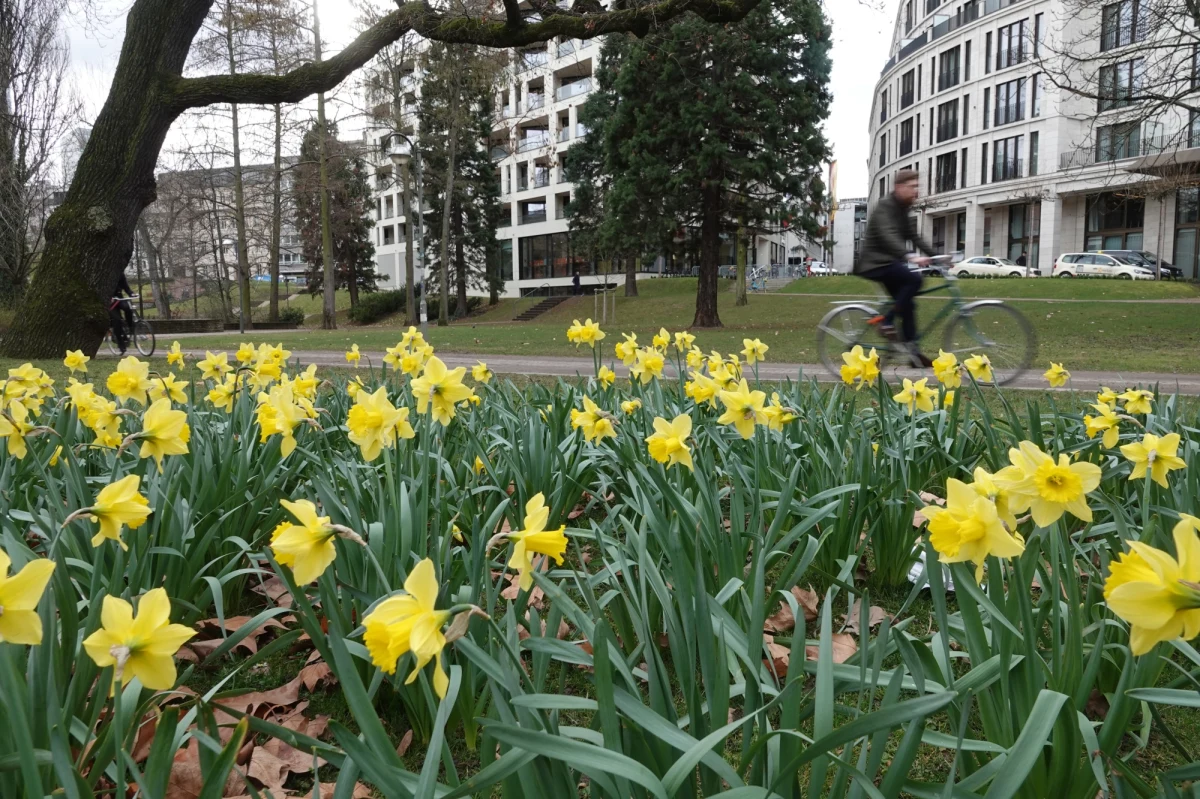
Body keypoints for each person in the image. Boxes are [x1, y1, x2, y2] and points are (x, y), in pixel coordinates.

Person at [854, 169, 935, 367]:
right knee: (914, 280)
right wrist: (908, 255)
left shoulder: (902, 209)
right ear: (899, 187)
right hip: (875, 263)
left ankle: (914, 355)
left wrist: (935, 256)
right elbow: (887, 235)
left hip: (889, 262)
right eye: (912, 186)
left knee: (908, 303)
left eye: (917, 186)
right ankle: (887, 321)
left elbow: (913, 236)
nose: (916, 191)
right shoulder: (885, 207)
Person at [110, 271, 135, 355]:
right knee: (117, 320)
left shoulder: (120, 273)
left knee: (128, 308)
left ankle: (130, 326)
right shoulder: (104, 274)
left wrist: (131, 293)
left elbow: (125, 286)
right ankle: (120, 344)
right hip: (110, 302)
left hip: (119, 298)